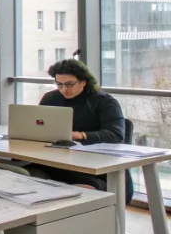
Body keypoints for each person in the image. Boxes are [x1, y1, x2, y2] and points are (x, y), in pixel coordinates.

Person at [31, 58, 132, 197]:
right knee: (24, 171)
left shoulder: (105, 101)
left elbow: (115, 135)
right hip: (59, 160)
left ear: (83, 82)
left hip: (96, 165)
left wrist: (80, 135)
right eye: (59, 84)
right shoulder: (50, 98)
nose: (64, 89)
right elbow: (39, 126)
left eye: (69, 84)